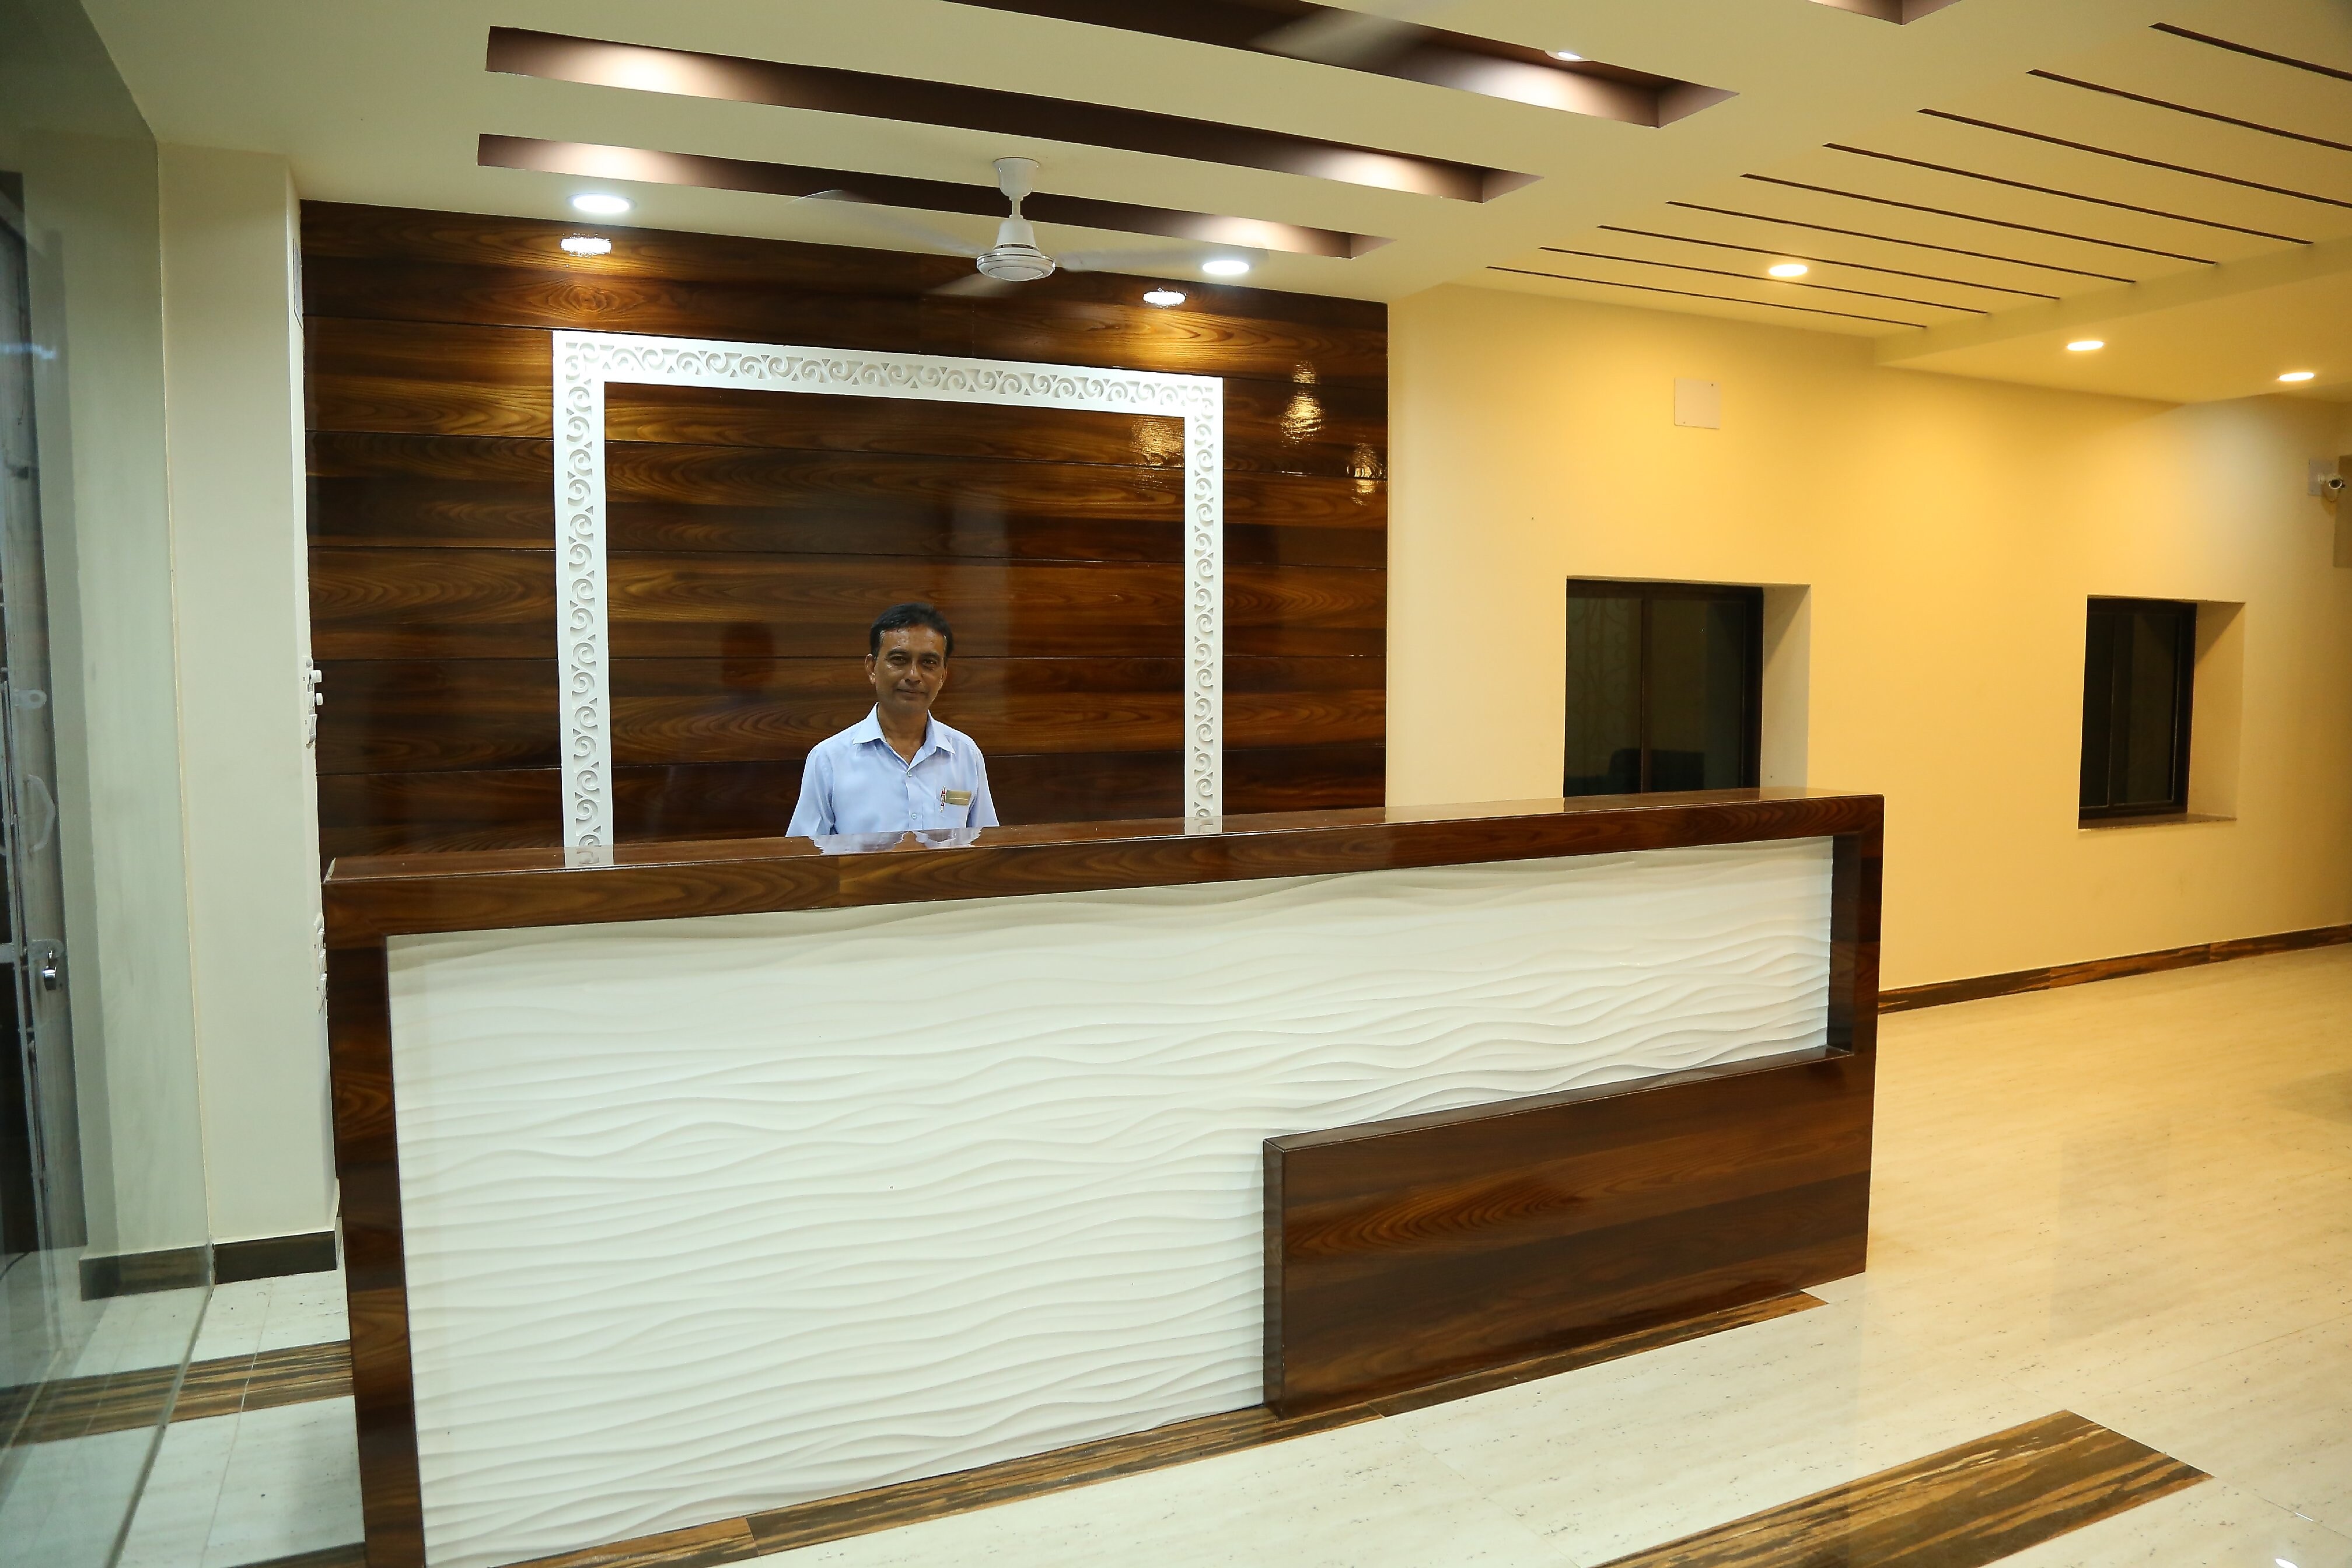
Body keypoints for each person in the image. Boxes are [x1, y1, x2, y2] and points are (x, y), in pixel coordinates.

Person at [787, 601, 998, 838]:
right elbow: (803, 852)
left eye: (929, 663)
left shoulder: (965, 754)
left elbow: (988, 845)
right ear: (872, 668)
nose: (914, 675)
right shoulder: (829, 760)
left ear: (943, 676)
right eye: (899, 659)